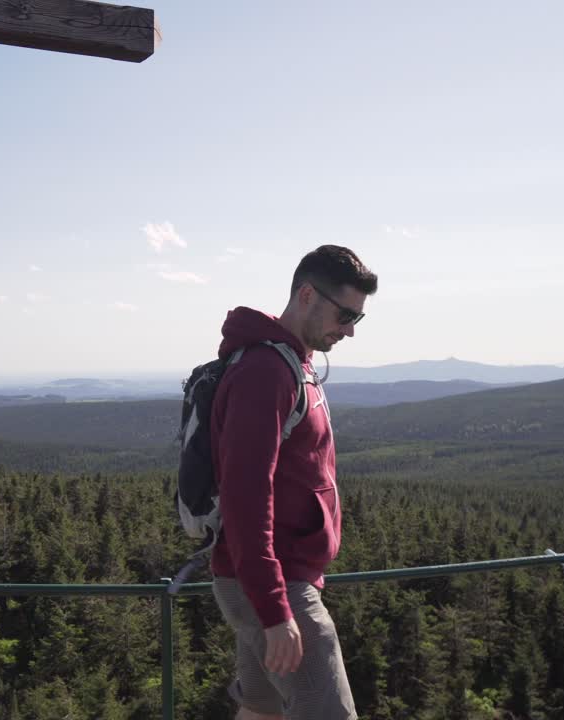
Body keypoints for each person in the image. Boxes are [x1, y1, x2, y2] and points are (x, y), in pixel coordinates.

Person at [210, 244, 378, 720]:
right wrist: (275, 608)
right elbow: (246, 496)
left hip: (267, 576)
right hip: (273, 580)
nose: (348, 330)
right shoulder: (266, 372)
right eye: (344, 315)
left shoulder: (291, 363)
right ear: (306, 295)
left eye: (356, 319)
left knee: (262, 711)